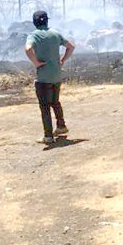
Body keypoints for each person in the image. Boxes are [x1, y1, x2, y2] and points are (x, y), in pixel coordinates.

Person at [25, 10, 75, 145]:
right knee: (55, 101)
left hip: (43, 77)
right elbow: (71, 47)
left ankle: (48, 136)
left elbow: (28, 49)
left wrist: (36, 63)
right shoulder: (55, 33)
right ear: (47, 20)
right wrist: (63, 60)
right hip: (56, 75)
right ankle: (61, 126)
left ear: (34, 22)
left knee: (45, 106)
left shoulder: (33, 35)